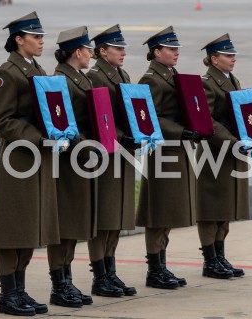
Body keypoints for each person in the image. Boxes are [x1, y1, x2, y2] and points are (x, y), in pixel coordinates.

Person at [0, 12, 59, 316]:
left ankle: (20, 290)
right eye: (36, 37)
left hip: (38, 157)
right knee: (13, 227)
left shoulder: (37, 69)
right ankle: (8, 295)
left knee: (29, 226)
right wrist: (39, 137)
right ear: (19, 39)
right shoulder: (6, 74)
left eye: (42, 37)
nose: (42, 42)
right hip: (18, 158)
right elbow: (2, 121)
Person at [196, 33, 252, 279]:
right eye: (228, 55)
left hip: (232, 151)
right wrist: (234, 142)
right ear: (214, 59)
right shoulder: (208, 82)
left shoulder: (230, 79)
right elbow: (209, 122)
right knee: (211, 209)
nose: (233, 59)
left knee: (225, 208)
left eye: (234, 54)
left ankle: (220, 256)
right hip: (215, 153)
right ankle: (210, 260)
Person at [136, 26, 200, 289]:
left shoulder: (171, 75)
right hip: (163, 151)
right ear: (156, 52)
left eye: (177, 50)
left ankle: (161, 264)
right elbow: (150, 118)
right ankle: (154, 269)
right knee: (159, 213)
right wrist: (180, 131)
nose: (176, 53)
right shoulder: (151, 79)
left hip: (178, 148)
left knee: (169, 213)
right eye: (171, 49)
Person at [46, 25, 101, 308]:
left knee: (75, 222)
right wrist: (87, 144)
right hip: (69, 160)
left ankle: (67, 279)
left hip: (83, 158)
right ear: (77, 52)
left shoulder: (79, 78)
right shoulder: (61, 80)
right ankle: (59, 285)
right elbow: (62, 123)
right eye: (89, 50)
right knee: (65, 223)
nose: (91, 54)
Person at [86, 24, 136, 297]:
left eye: (123, 48)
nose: (123, 52)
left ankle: (111, 271)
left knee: (116, 215)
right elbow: (99, 118)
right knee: (104, 216)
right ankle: (99, 276)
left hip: (123, 151)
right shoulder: (95, 77)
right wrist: (121, 135)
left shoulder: (121, 74)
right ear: (102, 51)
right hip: (105, 154)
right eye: (118, 48)